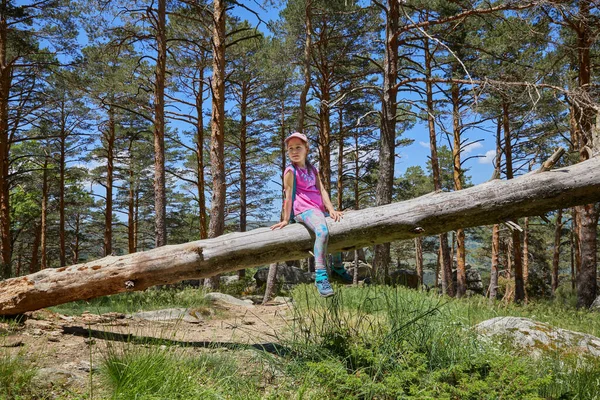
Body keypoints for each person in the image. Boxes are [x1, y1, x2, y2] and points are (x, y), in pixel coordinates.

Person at [271, 132, 352, 297]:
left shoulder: (312, 169)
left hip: (318, 210)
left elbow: (321, 189)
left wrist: (331, 209)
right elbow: (287, 195)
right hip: (304, 210)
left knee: (338, 227)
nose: (294, 151)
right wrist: (286, 219)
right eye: (290, 148)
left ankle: (337, 267)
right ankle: (321, 276)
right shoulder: (290, 171)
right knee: (322, 231)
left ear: (306, 149)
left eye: (298, 147)